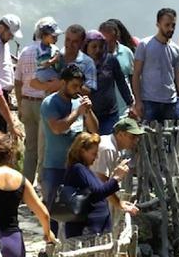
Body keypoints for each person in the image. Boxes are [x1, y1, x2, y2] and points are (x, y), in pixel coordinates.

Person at [40, 64, 99, 234]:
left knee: (78, 209)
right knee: (51, 210)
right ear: (63, 83)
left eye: (80, 86)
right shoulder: (50, 103)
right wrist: (78, 112)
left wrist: (88, 111)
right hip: (55, 164)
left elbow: (94, 129)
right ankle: (49, 245)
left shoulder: (79, 102)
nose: (77, 90)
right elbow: (57, 128)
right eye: (74, 86)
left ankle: (74, 244)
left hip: (77, 167)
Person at [0, 131, 56, 256]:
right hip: (13, 241)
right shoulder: (21, 179)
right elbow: (44, 214)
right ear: (10, 153)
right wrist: (47, 233)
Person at [15, 17, 59, 183]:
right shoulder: (54, 51)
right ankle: (42, 186)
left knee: (31, 147)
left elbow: (18, 81)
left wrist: (20, 105)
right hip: (44, 102)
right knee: (45, 147)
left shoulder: (25, 52)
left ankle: (24, 185)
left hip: (26, 102)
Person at [132, 8, 179, 122]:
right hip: (150, 102)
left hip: (172, 102)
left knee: (177, 136)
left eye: (173, 25)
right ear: (158, 24)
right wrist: (138, 101)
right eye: (167, 25)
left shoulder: (176, 50)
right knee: (150, 136)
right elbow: (136, 74)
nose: (170, 29)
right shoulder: (145, 45)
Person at [63, 132, 130, 238]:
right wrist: (116, 178)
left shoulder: (85, 170)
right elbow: (97, 194)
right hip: (86, 231)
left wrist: (115, 176)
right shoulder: (78, 169)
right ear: (82, 151)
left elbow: (100, 190)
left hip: (96, 230)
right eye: (94, 153)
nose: (96, 157)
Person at [83, 31, 134, 135]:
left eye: (101, 46)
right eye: (94, 46)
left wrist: (130, 103)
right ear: (86, 47)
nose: (98, 50)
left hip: (110, 114)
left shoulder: (110, 60)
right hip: (88, 115)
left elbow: (121, 83)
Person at [91, 117, 142, 216]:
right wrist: (120, 205)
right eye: (132, 137)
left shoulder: (110, 146)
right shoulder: (108, 149)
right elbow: (102, 182)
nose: (135, 141)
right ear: (121, 134)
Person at [29, 25, 97, 97]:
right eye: (68, 40)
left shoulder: (87, 63)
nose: (70, 44)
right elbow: (32, 82)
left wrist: (62, 85)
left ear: (82, 43)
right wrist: (48, 85)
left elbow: (89, 91)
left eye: (75, 42)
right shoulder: (53, 55)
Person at [98, 21, 135, 116]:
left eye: (111, 41)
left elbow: (133, 79)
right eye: (105, 42)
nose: (108, 45)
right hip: (105, 111)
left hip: (126, 109)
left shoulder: (127, 52)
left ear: (117, 37)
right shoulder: (96, 57)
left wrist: (135, 103)